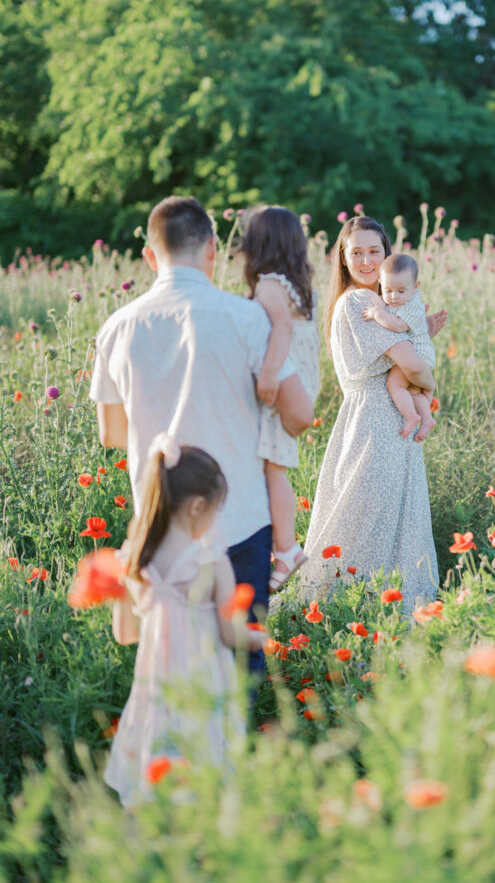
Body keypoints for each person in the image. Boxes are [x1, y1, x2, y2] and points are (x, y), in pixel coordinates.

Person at [90, 196, 313, 682]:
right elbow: (298, 416)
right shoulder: (247, 318)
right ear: (213, 247)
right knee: (240, 665)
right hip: (241, 518)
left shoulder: (116, 328)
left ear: (150, 256)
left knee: (172, 664)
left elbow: (112, 434)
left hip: (162, 523)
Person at [105, 436, 267, 806]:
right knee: (205, 756)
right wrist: (259, 639)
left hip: (155, 685)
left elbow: (124, 634)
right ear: (197, 507)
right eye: (215, 510)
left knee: (157, 751)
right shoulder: (209, 561)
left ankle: (147, 826)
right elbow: (230, 634)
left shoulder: (131, 561)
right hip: (203, 681)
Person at [297, 215, 446, 612]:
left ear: (386, 256)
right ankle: (366, 616)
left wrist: (419, 334)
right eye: (356, 252)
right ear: (342, 259)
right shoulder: (361, 301)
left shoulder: (381, 303)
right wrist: (427, 381)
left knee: (377, 520)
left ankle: (370, 617)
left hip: (382, 420)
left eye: (374, 252)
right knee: (370, 523)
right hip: (377, 423)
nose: (366, 261)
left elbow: (402, 350)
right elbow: (410, 364)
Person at [240, 206, 320, 592]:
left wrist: (269, 374)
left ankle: (287, 549)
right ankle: (284, 547)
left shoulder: (270, 282)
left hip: (287, 377)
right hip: (304, 378)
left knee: (274, 470)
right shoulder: (298, 282)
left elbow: (282, 329)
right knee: (276, 468)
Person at [362, 252, 436, 442]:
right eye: (388, 290)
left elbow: (397, 326)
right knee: (413, 390)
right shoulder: (401, 301)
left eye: (400, 291)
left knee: (394, 384)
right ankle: (427, 419)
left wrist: (376, 313)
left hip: (417, 355)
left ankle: (412, 416)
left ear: (415, 287)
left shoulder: (413, 306)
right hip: (417, 354)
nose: (393, 296)